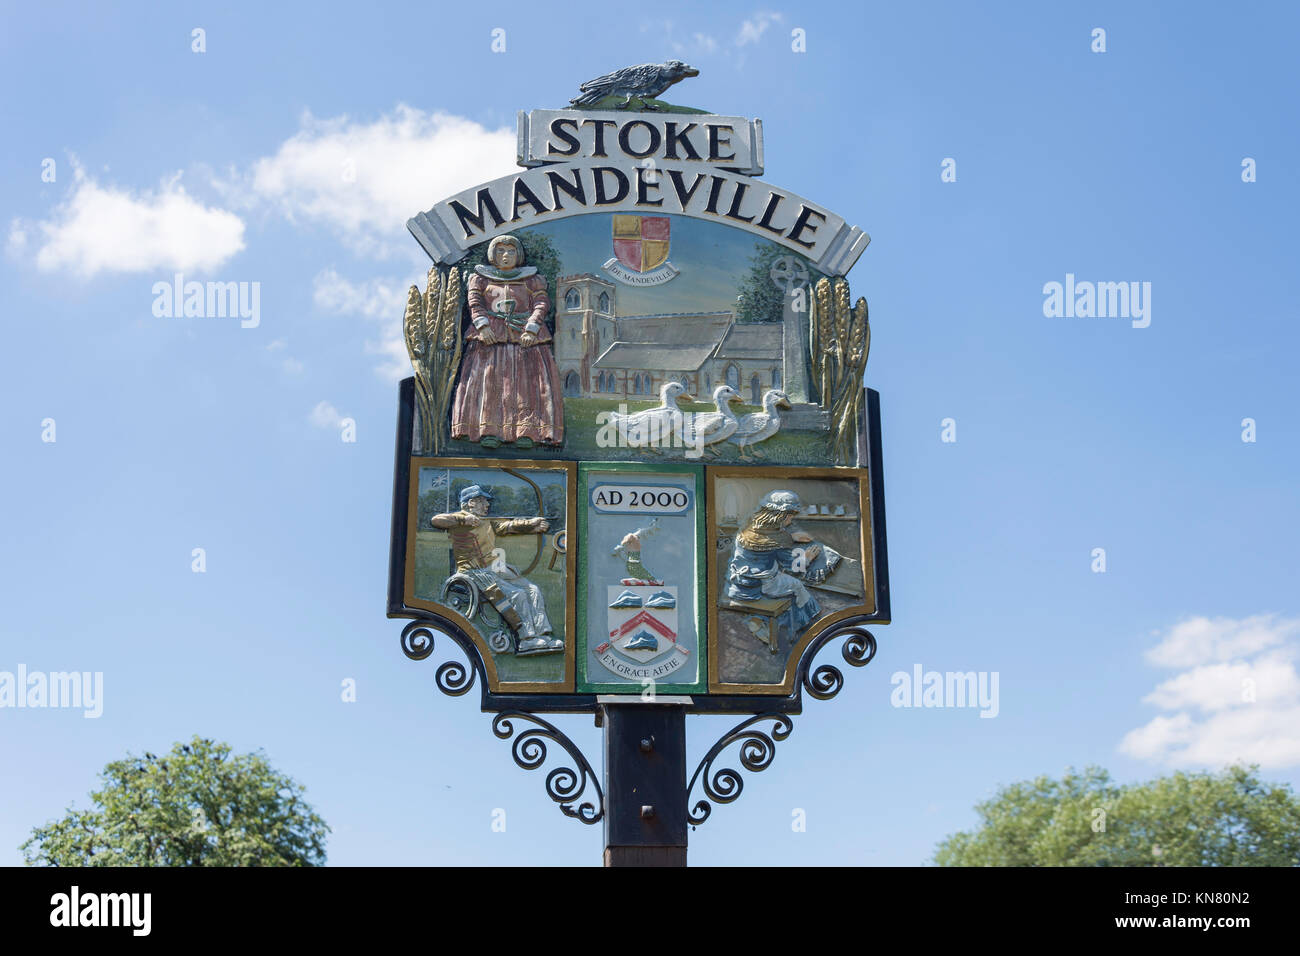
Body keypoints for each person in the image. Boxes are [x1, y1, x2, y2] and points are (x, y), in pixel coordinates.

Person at [450, 235, 564, 449]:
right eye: (501, 251)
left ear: (518, 255)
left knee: (526, 385)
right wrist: (482, 327)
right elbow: (475, 303)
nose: (506, 256)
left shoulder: (532, 279)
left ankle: (527, 432)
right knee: (490, 383)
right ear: (493, 254)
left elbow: (541, 303)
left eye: (511, 251)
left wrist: (532, 327)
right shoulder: (481, 279)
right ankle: (488, 431)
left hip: (525, 340)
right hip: (491, 339)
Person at [430, 484, 562, 656]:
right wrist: (464, 520)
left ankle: (543, 634)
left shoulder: (487, 522)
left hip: (493, 568)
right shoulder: (459, 519)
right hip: (473, 572)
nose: (487, 505)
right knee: (518, 595)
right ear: (471, 503)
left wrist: (533, 524)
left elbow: (509, 526)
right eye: (483, 501)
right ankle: (526, 639)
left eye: (486, 501)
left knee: (533, 590)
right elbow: (436, 520)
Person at [724, 490, 841, 638]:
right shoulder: (778, 541)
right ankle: (800, 628)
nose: (790, 521)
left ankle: (759, 620)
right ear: (779, 515)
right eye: (789, 517)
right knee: (797, 586)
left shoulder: (747, 529)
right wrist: (807, 557)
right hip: (761, 586)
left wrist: (790, 537)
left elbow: (766, 538)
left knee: (782, 581)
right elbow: (793, 566)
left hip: (737, 584)